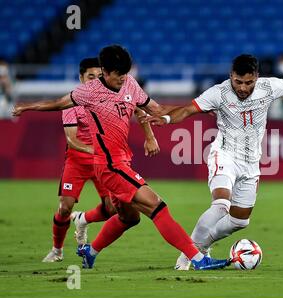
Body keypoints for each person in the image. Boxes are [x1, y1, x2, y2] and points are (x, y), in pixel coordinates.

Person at [13, 45, 229, 270]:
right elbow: (57, 104)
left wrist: (197, 109)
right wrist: (27, 107)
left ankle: (91, 251)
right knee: (157, 207)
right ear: (105, 72)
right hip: (109, 166)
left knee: (130, 218)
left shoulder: (130, 84)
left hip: (121, 162)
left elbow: (156, 108)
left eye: (126, 73)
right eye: (119, 74)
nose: (123, 78)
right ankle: (199, 259)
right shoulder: (89, 92)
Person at [144, 54, 283, 270]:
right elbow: (188, 109)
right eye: (238, 82)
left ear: (256, 77)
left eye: (249, 82)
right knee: (220, 206)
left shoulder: (270, 87)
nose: (243, 88)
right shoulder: (219, 92)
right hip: (224, 154)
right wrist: (167, 119)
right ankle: (188, 256)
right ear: (231, 76)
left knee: (240, 221)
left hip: (251, 163)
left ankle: (202, 246)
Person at [42, 57, 160, 262]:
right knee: (64, 207)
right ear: (81, 78)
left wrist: (150, 137)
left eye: (99, 76)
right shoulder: (74, 102)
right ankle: (57, 250)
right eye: (90, 76)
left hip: (103, 163)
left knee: (113, 209)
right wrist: (97, 150)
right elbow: (72, 140)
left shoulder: (111, 96)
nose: (95, 80)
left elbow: (140, 110)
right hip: (78, 161)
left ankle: (83, 218)